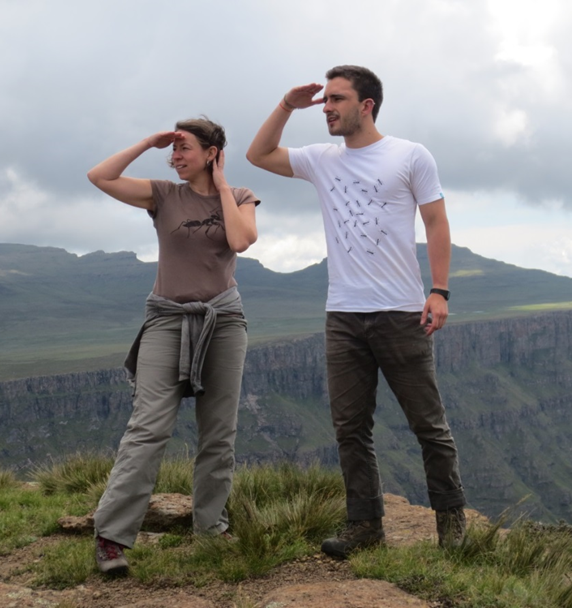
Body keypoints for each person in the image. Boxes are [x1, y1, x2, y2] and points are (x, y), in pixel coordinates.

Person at [246, 66, 466, 558]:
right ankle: (365, 526)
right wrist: (287, 104)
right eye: (324, 99)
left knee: (428, 425)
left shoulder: (410, 155)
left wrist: (440, 291)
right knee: (350, 428)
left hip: (401, 312)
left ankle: (451, 527)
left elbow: (436, 222)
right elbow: (257, 154)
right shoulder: (322, 160)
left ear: (366, 105)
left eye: (337, 99)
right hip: (343, 314)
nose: (326, 107)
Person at [87, 118, 259, 573]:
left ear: (213, 152)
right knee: (148, 428)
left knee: (219, 432)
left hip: (223, 320)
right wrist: (147, 142)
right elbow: (99, 177)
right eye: (173, 151)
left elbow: (241, 239)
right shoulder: (162, 194)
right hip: (167, 319)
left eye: (184, 149)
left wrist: (222, 184)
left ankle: (211, 526)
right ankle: (111, 538)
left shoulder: (241, 197)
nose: (176, 157)